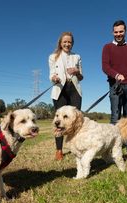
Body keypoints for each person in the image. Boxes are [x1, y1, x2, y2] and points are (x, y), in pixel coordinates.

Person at [102, 20, 127, 159]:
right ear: (112, 32)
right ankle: (112, 147)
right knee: (115, 115)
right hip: (115, 85)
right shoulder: (107, 47)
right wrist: (116, 74)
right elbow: (105, 66)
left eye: (121, 31)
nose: (118, 34)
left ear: (125, 32)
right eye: (116, 32)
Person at [49, 32, 83, 160]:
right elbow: (51, 75)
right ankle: (59, 150)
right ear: (60, 43)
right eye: (65, 42)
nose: (67, 44)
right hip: (59, 90)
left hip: (74, 90)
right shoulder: (53, 57)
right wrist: (54, 78)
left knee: (76, 120)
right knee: (59, 122)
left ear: (72, 43)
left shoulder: (77, 56)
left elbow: (81, 77)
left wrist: (76, 71)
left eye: (69, 42)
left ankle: (77, 149)